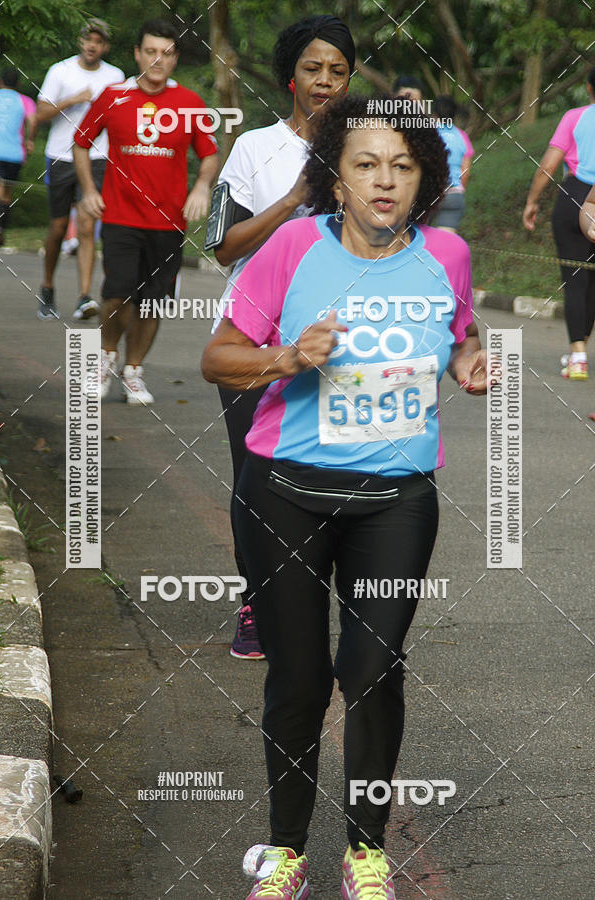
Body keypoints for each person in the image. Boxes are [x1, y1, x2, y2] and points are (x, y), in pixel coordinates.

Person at [201, 94, 487, 900]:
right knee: (297, 677)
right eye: (366, 164)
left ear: (424, 179)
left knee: (372, 667)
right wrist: (288, 356)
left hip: (396, 498)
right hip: (285, 490)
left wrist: (466, 365)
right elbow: (218, 357)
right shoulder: (293, 246)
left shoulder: (449, 255)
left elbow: (457, 335)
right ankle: (285, 848)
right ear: (336, 179)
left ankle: (364, 848)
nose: (384, 180)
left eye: (402, 165)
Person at [210, 15, 355, 659]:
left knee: (338, 476)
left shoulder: (366, 147)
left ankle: (325, 602)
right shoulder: (253, 150)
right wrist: (296, 195)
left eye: (337, 71)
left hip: (340, 338)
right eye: (312, 69)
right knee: (257, 478)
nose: (324, 81)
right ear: (290, 77)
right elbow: (222, 246)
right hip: (255, 338)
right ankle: (257, 602)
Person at [74, 18, 219, 406]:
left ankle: (134, 371)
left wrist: (201, 186)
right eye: (150, 51)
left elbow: (209, 154)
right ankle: (106, 357)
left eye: (167, 53)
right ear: (137, 54)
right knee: (117, 292)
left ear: (175, 59)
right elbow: (80, 143)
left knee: (153, 301)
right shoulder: (112, 96)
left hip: (169, 221)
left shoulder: (190, 103)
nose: (158, 59)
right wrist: (88, 191)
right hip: (120, 215)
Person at [36, 18, 124, 321]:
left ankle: (84, 297)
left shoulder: (115, 76)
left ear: (105, 47)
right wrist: (74, 99)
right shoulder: (60, 71)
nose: (92, 45)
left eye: (99, 41)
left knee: (87, 227)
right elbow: (41, 112)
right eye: (89, 40)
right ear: (80, 41)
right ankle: (47, 287)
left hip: (98, 158)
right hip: (61, 156)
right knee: (59, 227)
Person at [523, 68, 595, 381]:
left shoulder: (574, 117)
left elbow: (549, 165)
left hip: (576, 198)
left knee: (575, 278)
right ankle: (580, 351)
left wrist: (532, 201)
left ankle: (578, 356)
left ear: (589, 87)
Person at [0, 68, 37, 247]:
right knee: (6, 195)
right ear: (18, 84)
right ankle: (0, 229)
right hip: (15, 155)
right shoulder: (25, 100)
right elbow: (33, 121)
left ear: (0, 81)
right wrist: (29, 140)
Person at [431, 95, 473, 232]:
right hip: (454, 194)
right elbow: (465, 172)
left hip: (429, 195)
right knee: (445, 246)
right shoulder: (462, 137)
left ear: (434, 115)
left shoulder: (428, 134)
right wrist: (458, 191)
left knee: (417, 241)